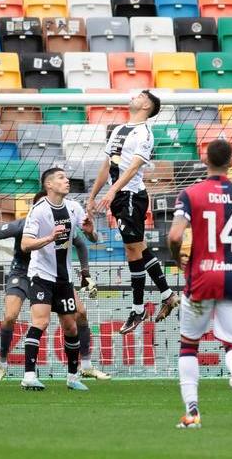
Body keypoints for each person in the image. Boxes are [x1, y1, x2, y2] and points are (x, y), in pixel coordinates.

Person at [168, 139, 232, 429]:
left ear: (204, 159)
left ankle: (193, 412)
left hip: (201, 276)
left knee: (189, 345)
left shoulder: (190, 194)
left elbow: (174, 236)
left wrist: (177, 259)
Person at [0, 191, 111, 381]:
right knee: (10, 316)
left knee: (80, 314)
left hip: (51, 274)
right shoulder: (23, 224)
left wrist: (85, 274)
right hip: (22, 273)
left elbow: (81, 244)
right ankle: (2, 364)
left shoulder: (61, 224)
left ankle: (86, 366)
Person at [86, 90, 178, 335]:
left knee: (133, 250)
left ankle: (139, 308)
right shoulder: (118, 130)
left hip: (130, 197)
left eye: (139, 95)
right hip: (118, 197)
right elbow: (107, 165)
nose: (133, 97)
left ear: (147, 105)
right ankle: (167, 296)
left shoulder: (145, 134)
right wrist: (94, 195)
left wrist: (112, 191)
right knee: (136, 249)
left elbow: (135, 166)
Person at [20, 168, 99, 391]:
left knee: (71, 328)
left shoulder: (74, 208)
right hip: (42, 275)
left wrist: (92, 232)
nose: (66, 181)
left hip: (64, 278)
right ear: (49, 185)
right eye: (61, 178)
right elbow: (25, 245)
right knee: (41, 322)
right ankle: (28, 375)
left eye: (66, 177)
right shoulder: (38, 211)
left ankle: (73, 378)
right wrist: (49, 238)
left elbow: (90, 239)